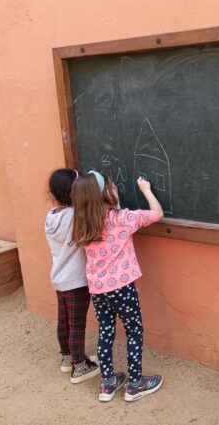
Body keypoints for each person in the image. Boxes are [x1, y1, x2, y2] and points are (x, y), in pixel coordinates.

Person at [71, 170, 164, 402]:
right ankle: (135, 383)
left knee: (105, 331)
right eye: (111, 187)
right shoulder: (120, 219)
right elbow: (157, 213)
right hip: (122, 288)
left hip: (98, 289)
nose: (116, 189)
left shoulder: (82, 223)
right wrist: (146, 190)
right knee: (134, 330)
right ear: (106, 195)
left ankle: (107, 383)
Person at [45, 168, 100, 383]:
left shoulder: (51, 218)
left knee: (64, 320)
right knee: (77, 325)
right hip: (77, 280)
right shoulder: (77, 215)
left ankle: (67, 358)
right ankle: (80, 366)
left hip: (59, 278)